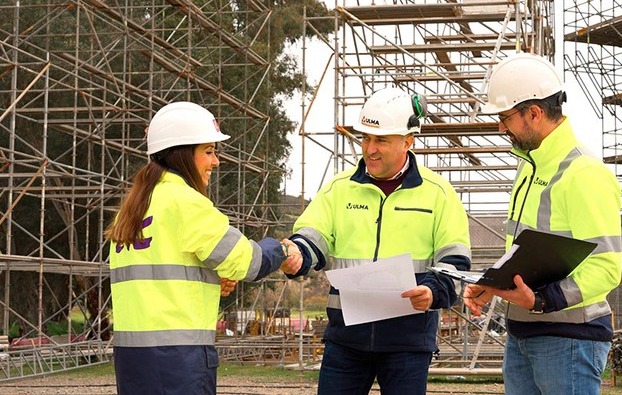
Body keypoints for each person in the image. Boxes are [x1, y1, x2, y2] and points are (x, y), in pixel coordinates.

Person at [106, 101, 302, 395]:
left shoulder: (133, 209)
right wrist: (281, 249)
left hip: (132, 361)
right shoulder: (186, 202)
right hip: (178, 363)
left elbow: (161, 279)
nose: (216, 161)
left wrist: (211, 279)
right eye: (208, 151)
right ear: (184, 154)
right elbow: (248, 262)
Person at [286, 87, 472, 395]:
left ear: (407, 142)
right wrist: (296, 253)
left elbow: (455, 262)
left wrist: (433, 291)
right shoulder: (338, 189)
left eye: (381, 140)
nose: (370, 148)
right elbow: (311, 236)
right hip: (345, 342)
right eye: (365, 138)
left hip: (408, 343)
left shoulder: (438, 194)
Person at [463, 52, 622, 395]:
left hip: (568, 339)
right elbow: (525, 256)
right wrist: (494, 284)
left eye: (505, 118)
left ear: (533, 113)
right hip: (522, 333)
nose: (500, 127)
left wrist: (540, 301)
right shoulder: (529, 169)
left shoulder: (584, 174)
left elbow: (606, 268)